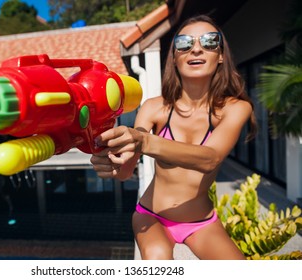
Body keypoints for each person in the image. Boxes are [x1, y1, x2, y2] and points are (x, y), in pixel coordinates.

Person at [90, 15, 257, 260]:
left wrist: (145, 141)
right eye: (184, 43)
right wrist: (112, 163)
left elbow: (210, 159)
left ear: (220, 55)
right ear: (175, 57)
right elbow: (126, 171)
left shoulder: (237, 109)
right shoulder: (153, 108)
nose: (196, 48)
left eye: (210, 41)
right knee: (157, 257)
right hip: (151, 215)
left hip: (201, 222)